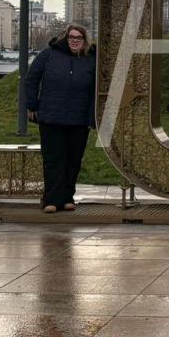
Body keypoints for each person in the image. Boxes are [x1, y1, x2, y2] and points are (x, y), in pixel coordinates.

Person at [23, 22, 96, 213]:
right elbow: (32, 78)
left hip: (78, 118)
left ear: (84, 41)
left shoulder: (91, 58)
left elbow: (97, 88)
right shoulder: (48, 55)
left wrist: (93, 116)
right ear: (65, 38)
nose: (75, 41)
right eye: (72, 37)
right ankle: (51, 200)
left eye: (79, 38)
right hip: (51, 117)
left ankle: (67, 198)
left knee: (73, 160)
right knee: (53, 159)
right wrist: (32, 104)